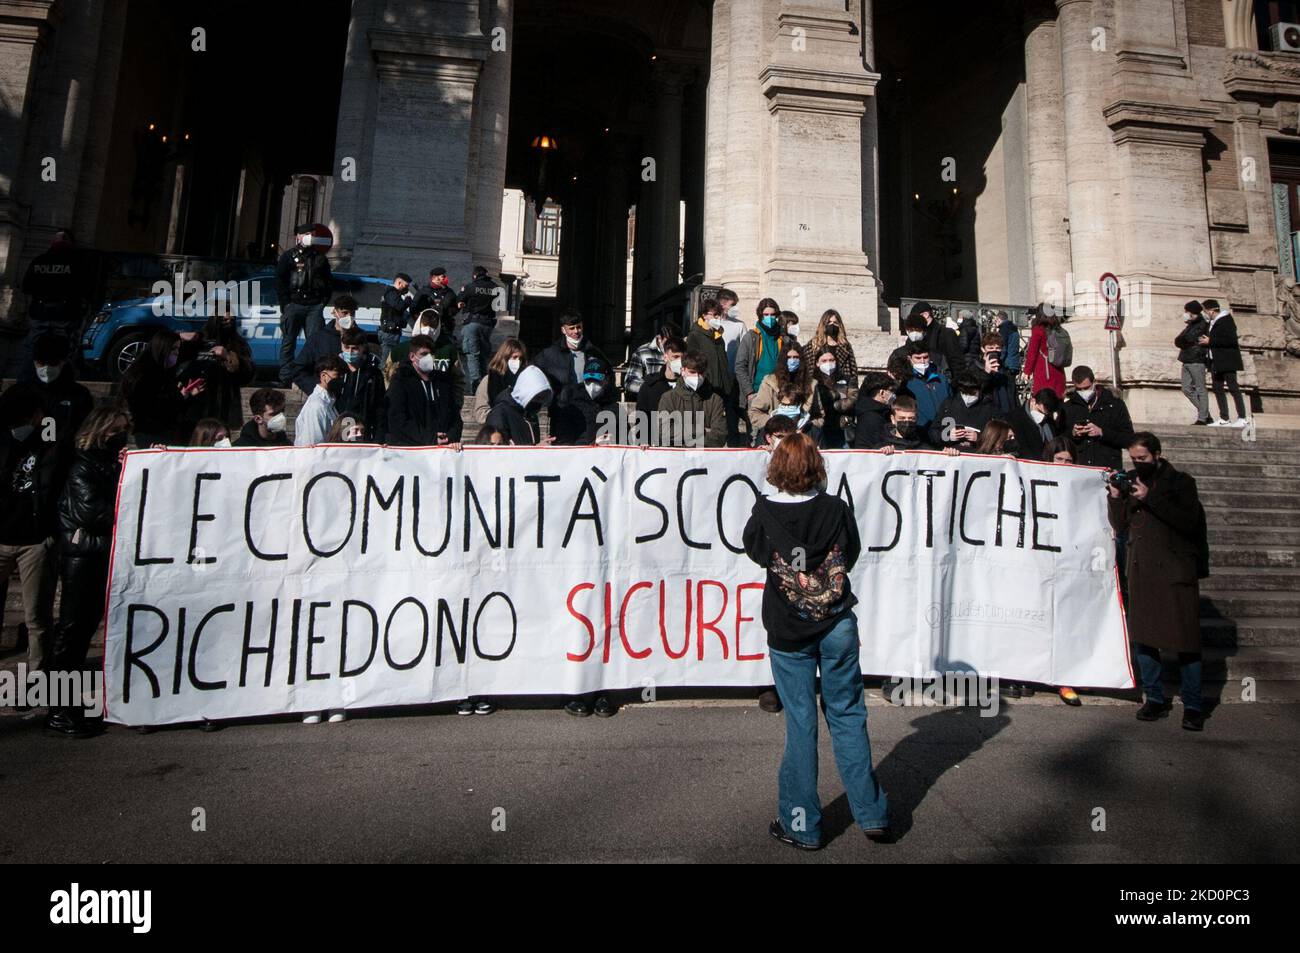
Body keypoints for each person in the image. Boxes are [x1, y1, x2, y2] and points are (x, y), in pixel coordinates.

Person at [743, 433, 890, 849]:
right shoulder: (836, 508)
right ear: (816, 467)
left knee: (802, 723)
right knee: (847, 715)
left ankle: (802, 824)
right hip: (837, 622)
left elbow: (754, 551)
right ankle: (873, 813)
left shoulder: (764, 512)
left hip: (790, 629)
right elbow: (853, 550)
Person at [1108, 432, 1207, 731]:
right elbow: (1121, 523)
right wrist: (1116, 496)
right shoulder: (1132, 481)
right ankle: (1154, 697)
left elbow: (1187, 521)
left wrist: (1150, 498)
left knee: (1186, 642)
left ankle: (1193, 704)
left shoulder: (1181, 483)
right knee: (1145, 639)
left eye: (1143, 459)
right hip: (1142, 570)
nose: (1139, 464)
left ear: (1158, 454)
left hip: (1175, 571)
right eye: (1135, 459)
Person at [44, 406, 133, 737]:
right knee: (70, 631)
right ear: (102, 429)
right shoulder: (81, 464)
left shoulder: (106, 463)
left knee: (81, 634)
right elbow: (93, 512)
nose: (119, 435)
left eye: (124, 429)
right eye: (116, 429)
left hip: (99, 555)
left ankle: (70, 705)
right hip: (82, 556)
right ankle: (57, 710)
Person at [0, 387, 62, 679]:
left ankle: (37, 674)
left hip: (34, 541)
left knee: (36, 614)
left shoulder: (50, 444)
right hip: (3, 537)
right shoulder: (4, 443)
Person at [533, 310, 616, 445]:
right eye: (571, 328)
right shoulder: (549, 355)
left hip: (589, 414)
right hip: (562, 414)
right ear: (563, 330)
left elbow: (609, 385)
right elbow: (532, 375)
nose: (576, 331)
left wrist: (608, 414)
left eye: (579, 327)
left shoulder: (595, 353)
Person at [120, 329, 206, 447]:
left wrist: (186, 396)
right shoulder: (145, 375)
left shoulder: (163, 373)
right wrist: (179, 397)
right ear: (162, 348)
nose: (176, 353)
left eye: (177, 349)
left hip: (164, 432)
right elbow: (154, 408)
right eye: (173, 349)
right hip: (150, 434)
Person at [20, 229, 94, 364]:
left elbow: (26, 287)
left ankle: (28, 379)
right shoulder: (78, 263)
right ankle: (60, 382)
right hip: (65, 315)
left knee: (32, 350)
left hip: (40, 313)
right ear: (71, 243)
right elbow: (86, 290)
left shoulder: (39, 261)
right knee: (63, 352)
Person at [184, 294, 255, 433]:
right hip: (197, 401)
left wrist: (228, 357)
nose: (227, 322)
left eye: (230, 320)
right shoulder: (199, 340)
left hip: (224, 405)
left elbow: (248, 373)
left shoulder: (238, 344)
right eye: (223, 320)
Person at [275, 223, 333, 385]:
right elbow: (279, 280)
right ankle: (285, 377)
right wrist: (285, 304)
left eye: (312, 234)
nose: (309, 237)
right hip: (294, 304)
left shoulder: (319, 257)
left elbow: (328, 282)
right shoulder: (288, 256)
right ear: (298, 236)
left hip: (314, 305)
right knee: (288, 341)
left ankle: (314, 377)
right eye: (306, 234)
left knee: (315, 342)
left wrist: (322, 302)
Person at [12, 334, 92, 448]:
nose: (46, 369)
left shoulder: (79, 395)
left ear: (63, 362)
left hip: (61, 457)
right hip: (25, 456)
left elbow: (84, 430)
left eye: (52, 363)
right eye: (41, 363)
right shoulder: (20, 393)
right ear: (34, 362)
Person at [386, 334, 462, 447]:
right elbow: (397, 419)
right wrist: (429, 438)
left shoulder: (443, 381)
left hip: (442, 447)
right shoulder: (400, 381)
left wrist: (450, 436)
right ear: (412, 357)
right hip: (411, 448)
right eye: (424, 354)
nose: (429, 358)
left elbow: (455, 416)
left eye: (432, 354)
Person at [1063, 365, 1134, 471]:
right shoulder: (1068, 407)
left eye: (1086, 388)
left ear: (1094, 383)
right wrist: (1073, 434)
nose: (1083, 392)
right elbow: (1058, 438)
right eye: (1079, 389)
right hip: (1079, 468)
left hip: (1107, 466)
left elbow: (1128, 438)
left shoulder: (1115, 404)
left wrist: (1102, 433)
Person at [287, 294, 359, 396]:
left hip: (351, 398)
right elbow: (299, 370)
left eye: (352, 313)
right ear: (335, 312)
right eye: (344, 313)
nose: (349, 317)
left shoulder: (360, 338)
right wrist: (317, 389)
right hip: (325, 396)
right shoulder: (318, 339)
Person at [655, 351, 728, 448]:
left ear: (706, 372)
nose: (697, 377)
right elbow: (664, 432)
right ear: (682, 370)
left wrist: (682, 437)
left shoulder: (715, 400)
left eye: (701, 373)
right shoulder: (668, 398)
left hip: (705, 459)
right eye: (692, 372)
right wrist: (701, 430)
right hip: (676, 458)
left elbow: (719, 437)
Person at [747, 341, 821, 435]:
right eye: (789, 357)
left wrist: (807, 426)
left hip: (803, 435)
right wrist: (774, 424)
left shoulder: (812, 385)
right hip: (775, 434)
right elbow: (755, 412)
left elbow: (820, 416)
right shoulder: (769, 382)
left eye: (796, 357)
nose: (792, 360)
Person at [1200, 299, 1248, 427]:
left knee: (1233, 387)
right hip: (1216, 360)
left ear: (1211, 310)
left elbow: (1230, 340)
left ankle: (1242, 417)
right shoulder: (1212, 322)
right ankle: (1224, 418)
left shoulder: (1225, 320)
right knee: (1217, 388)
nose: (1204, 313)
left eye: (1204, 310)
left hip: (1227, 360)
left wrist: (1210, 341)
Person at [735, 298, 788, 410]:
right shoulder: (751, 337)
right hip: (757, 392)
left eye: (772, 315)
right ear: (760, 315)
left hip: (779, 394)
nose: (769, 317)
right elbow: (740, 366)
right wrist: (749, 392)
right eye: (766, 314)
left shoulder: (783, 338)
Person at [335, 325, 386, 442]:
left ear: (363, 348)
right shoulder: (336, 370)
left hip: (363, 430)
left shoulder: (373, 373)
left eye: (355, 348)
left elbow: (380, 407)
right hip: (339, 427)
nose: (350, 352)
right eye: (347, 347)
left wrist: (378, 438)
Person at [485, 365, 555, 446]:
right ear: (526, 391)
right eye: (537, 397)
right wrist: (535, 449)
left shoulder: (530, 414)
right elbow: (497, 449)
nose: (539, 401)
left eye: (542, 398)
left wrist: (537, 448)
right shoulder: (500, 413)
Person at [457, 265, 500, 393]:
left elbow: (459, 300)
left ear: (475, 275)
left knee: (472, 355)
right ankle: (484, 386)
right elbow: (500, 305)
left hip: (473, 322)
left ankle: (476, 385)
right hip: (488, 324)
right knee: (484, 356)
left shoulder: (471, 286)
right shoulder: (495, 287)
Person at [930, 371, 992, 450]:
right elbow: (933, 432)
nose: (969, 397)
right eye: (965, 393)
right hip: (952, 451)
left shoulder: (988, 407)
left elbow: (998, 433)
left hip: (977, 453)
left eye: (973, 393)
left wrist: (979, 438)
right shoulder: (948, 404)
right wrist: (947, 436)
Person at [472, 338, 528, 425]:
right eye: (514, 357)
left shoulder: (524, 382)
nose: (518, 362)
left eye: (520, 359)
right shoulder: (488, 381)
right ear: (505, 357)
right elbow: (481, 413)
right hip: (496, 431)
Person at [1174, 300, 1212, 425]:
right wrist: (1182, 340)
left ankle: (1202, 417)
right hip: (1186, 358)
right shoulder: (1190, 324)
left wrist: (1183, 341)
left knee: (1200, 388)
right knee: (1186, 388)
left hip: (1196, 359)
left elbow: (1187, 339)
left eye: (1186, 311)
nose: (1185, 313)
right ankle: (1205, 414)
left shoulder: (1202, 324)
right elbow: (1178, 340)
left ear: (1191, 312)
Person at [810, 347, 857, 449]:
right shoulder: (812, 382)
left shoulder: (847, 379)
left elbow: (853, 398)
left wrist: (835, 404)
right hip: (821, 429)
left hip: (843, 428)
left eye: (831, 360)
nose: (828, 363)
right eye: (824, 361)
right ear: (817, 363)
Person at [294, 356, 344, 447]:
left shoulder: (330, 401)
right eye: (337, 375)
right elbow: (314, 445)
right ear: (323, 376)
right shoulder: (316, 406)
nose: (340, 379)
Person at [634, 336, 685, 425]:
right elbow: (642, 424)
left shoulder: (690, 385)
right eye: (675, 357)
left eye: (682, 358)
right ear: (665, 357)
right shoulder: (650, 386)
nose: (679, 362)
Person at [1023, 304, 1067, 398]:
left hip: (1044, 370)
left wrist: (1027, 371)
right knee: (1058, 400)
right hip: (1059, 370)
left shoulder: (1038, 330)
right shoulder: (1059, 330)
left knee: (1043, 401)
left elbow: (1032, 353)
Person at [904, 342, 950, 432]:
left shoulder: (941, 378)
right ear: (910, 359)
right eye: (918, 358)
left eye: (925, 357)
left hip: (943, 428)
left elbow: (950, 402)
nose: (922, 361)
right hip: (920, 429)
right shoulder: (906, 381)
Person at [1007, 388, 1063, 461]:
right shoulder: (1015, 419)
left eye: (1046, 414)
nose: (1043, 416)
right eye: (1040, 412)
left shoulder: (1049, 421)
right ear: (1033, 401)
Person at [625, 323, 676, 397]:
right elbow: (630, 382)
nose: (671, 347)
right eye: (667, 343)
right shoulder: (642, 353)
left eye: (675, 344)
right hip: (650, 399)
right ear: (659, 339)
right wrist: (652, 388)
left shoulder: (683, 353)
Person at [378, 272, 416, 367]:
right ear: (399, 283)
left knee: (392, 361)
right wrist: (407, 301)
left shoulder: (393, 294)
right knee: (387, 362)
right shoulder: (391, 293)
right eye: (405, 286)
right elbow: (399, 306)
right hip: (390, 332)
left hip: (393, 331)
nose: (406, 289)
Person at [809, 309, 857, 382]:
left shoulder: (845, 346)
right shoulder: (814, 344)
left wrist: (852, 388)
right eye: (829, 322)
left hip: (841, 385)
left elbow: (853, 370)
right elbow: (807, 369)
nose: (832, 325)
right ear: (824, 324)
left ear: (839, 325)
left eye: (835, 322)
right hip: (819, 384)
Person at [853, 373, 898, 450]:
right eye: (891, 391)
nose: (893, 394)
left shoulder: (873, 411)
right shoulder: (872, 416)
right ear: (882, 393)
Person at [976, 333, 1017, 414]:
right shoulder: (976, 367)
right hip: (986, 414)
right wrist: (986, 373)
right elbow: (977, 391)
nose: (994, 351)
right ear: (983, 349)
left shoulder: (1005, 370)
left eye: (998, 348)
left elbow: (1013, 396)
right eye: (990, 348)